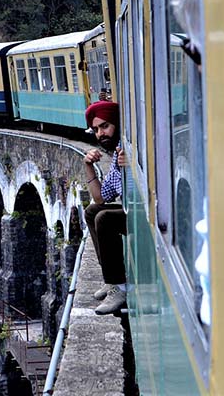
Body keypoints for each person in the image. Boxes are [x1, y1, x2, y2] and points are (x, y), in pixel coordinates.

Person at [82, 100, 128, 315]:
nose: (100, 134)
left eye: (105, 126)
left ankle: (120, 286)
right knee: (92, 211)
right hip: (133, 210)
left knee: (105, 219)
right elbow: (100, 198)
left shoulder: (127, 151)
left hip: (149, 213)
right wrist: (88, 165)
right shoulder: (118, 153)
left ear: (117, 123)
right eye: (96, 130)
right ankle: (111, 281)